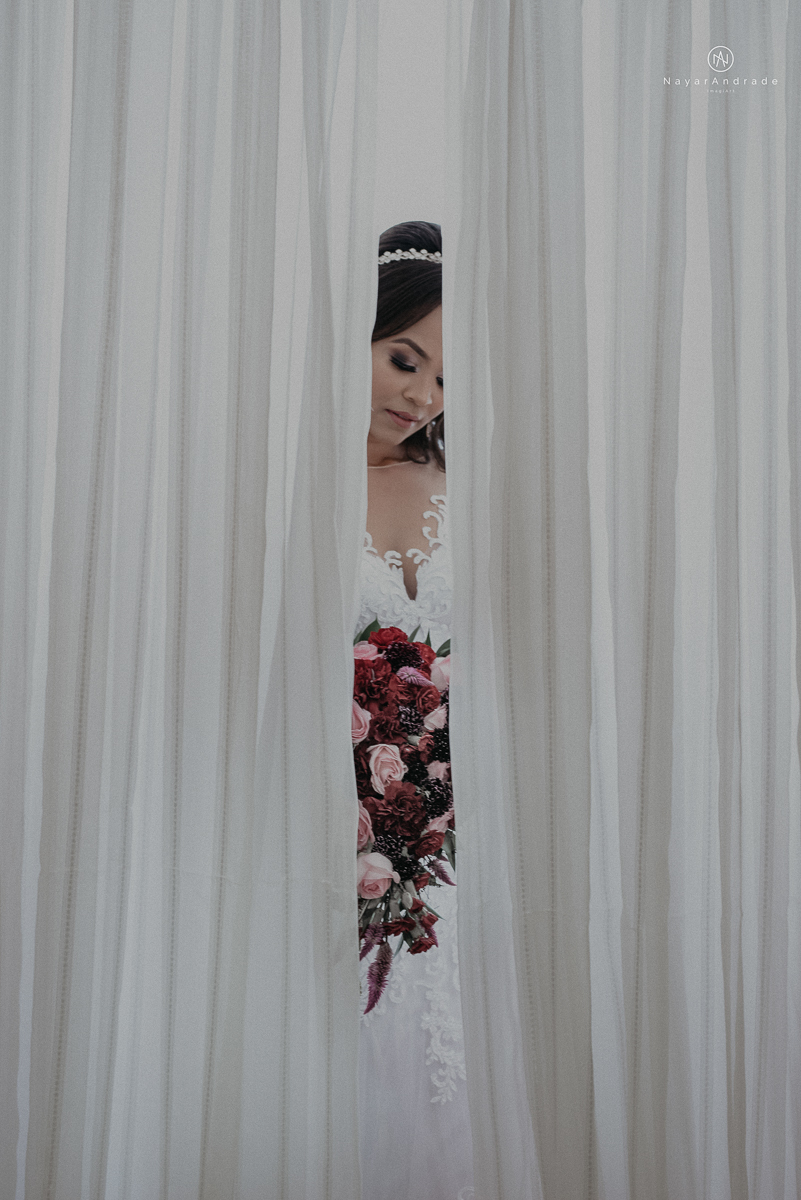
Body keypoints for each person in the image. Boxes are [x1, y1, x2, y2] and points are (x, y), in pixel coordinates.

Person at [356, 222, 474, 1200]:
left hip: (446, 851)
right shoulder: (286, 485)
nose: (421, 398)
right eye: (405, 358)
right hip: (312, 830)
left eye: (443, 379)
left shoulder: (465, 487)